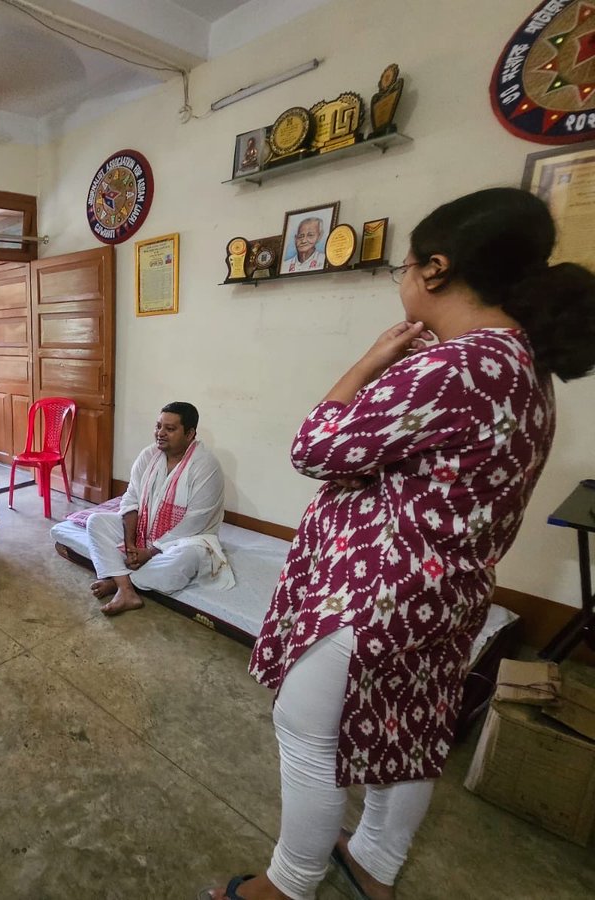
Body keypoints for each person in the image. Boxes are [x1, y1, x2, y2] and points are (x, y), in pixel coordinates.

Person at [203, 188, 595, 900]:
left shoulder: (451, 367)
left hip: (376, 591)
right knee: (408, 732)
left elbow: (314, 447)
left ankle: (288, 886)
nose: (404, 281)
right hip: (446, 595)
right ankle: (374, 863)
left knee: (305, 731)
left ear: (436, 270)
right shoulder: (524, 368)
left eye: (405, 267)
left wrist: (367, 363)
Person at [87, 402, 232, 616]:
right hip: (144, 531)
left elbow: (195, 522)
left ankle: (118, 581)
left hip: (187, 540)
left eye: (170, 429)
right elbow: (131, 498)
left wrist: (151, 551)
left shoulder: (206, 465)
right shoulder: (148, 455)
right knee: (96, 522)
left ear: (190, 433)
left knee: (185, 559)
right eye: (158, 426)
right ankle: (126, 590)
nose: (160, 433)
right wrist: (129, 542)